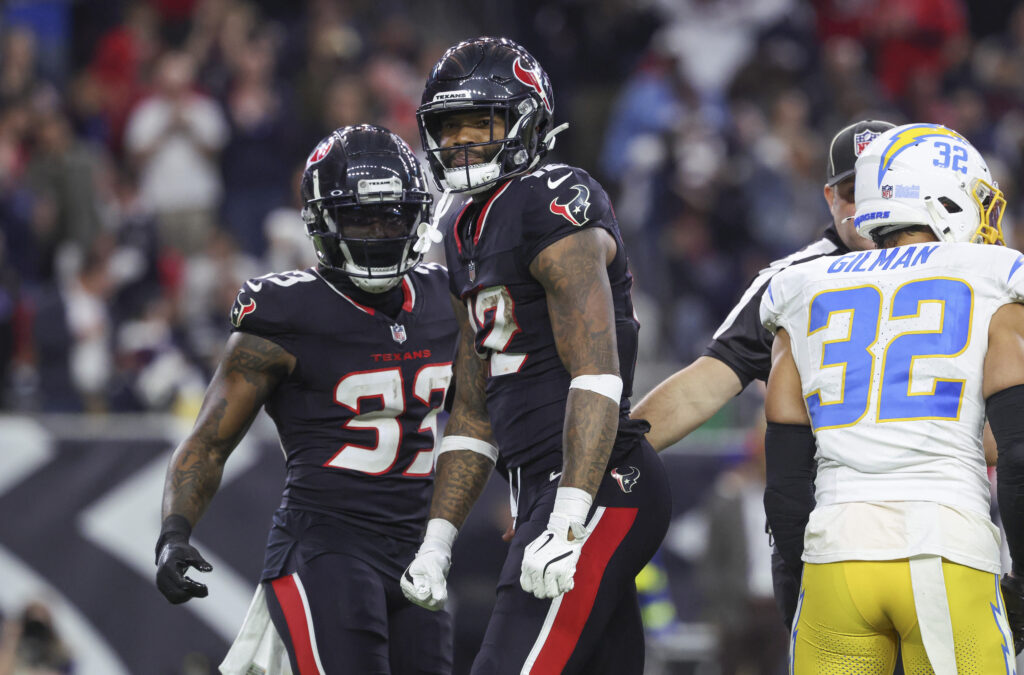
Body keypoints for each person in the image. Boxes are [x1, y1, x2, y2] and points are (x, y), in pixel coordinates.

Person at [399, 37, 671, 675]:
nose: (460, 140)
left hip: (599, 480)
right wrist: (438, 541)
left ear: (527, 118)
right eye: (449, 126)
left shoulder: (551, 197)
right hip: (543, 487)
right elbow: (472, 410)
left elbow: (597, 369)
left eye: (479, 122)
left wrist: (570, 513)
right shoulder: (467, 226)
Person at [154, 124, 458, 675]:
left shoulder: (445, 299)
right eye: (360, 217)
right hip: (326, 547)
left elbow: (482, 416)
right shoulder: (285, 313)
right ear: (322, 223)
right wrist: (173, 534)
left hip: (418, 550)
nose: (378, 232)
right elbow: (209, 442)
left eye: (392, 215)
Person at [760, 123, 1024, 671]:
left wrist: (805, 576)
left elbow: (785, 482)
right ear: (944, 198)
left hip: (834, 554)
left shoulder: (801, 289)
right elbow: (1019, 454)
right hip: (944, 546)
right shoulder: (994, 279)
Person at [632, 118, 895, 625]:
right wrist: (594, 467)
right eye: (852, 192)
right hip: (829, 525)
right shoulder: (795, 280)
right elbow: (704, 383)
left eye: (882, 188)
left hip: (935, 517)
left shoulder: (965, 268)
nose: (867, 209)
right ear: (829, 199)